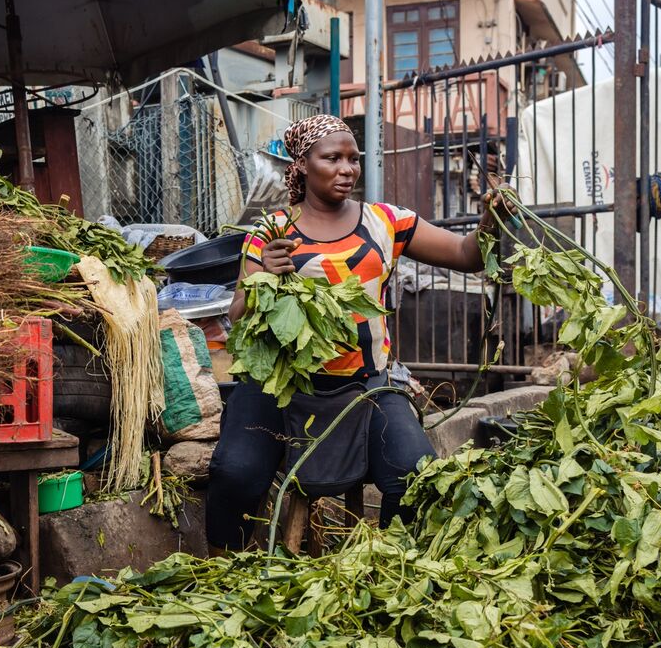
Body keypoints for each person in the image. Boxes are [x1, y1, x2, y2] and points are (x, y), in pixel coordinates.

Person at [206, 114, 511, 552]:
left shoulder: (386, 222)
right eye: (332, 158)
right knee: (235, 473)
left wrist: (490, 221)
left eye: (353, 159)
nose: (347, 169)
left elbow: (468, 256)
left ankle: (383, 561)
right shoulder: (271, 232)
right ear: (302, 165)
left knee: (416, 473)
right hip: (281, 389)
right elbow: (236, 315)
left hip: (365, 389)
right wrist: (263, 277)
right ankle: (224, 568)